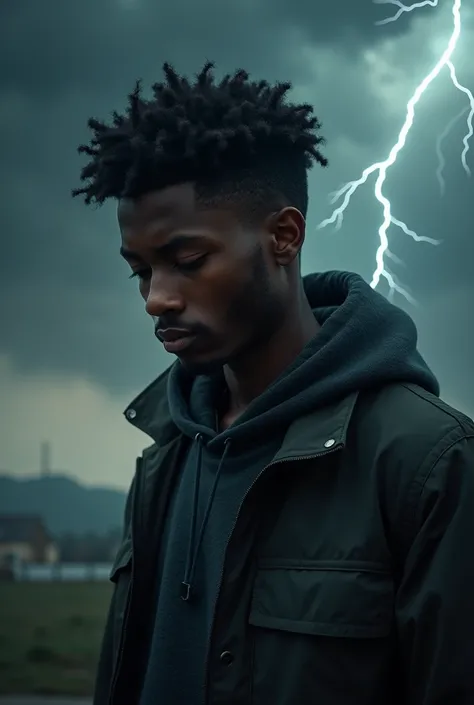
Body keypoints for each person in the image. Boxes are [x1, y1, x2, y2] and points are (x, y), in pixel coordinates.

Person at [73, 62, 474, 705]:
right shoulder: (165, 460)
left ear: (283, 237)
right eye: (140, 272)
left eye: (188, 261)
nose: (156, 299)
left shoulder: (426, 461)